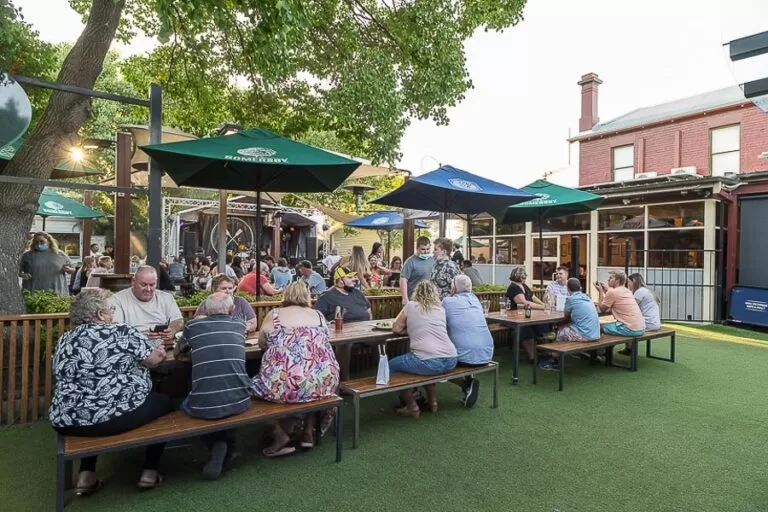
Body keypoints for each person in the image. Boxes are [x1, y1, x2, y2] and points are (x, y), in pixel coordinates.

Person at [49, 288, 170, 493]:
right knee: (165, 403)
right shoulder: (121, 331)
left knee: (96, 403)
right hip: (113, 418)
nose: (113, 312)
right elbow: (152, 361)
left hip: (66, 420)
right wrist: (159, 352)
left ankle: (86, 474)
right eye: (111, 308)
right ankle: (150, 470)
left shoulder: (65, 339)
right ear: (100, 315)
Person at [252, 283, 340, 456]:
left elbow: (262, 343)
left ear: (286, 294)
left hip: (285, 384)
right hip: (325, 382)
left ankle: (280, 434)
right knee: (309, 381)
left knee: (249, 389)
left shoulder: (275, 315)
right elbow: (325, 339)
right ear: (307, 296)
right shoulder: (318, 315)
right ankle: (308, 431)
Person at [176, 293, 251, 480]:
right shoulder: (239, 325)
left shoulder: (193, 326)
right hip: (241, 400)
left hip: (202, 406)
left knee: (183, 402)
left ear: (205, 310)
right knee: (227, 392)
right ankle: (227, 447)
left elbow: (178, 352)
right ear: (232, 309)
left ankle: (217, 444)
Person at [390, 281, 458, 418]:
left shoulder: (410, 306)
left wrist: (410, 330)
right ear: (435, 294)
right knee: (427, 365)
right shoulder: (440, 309)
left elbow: (396, 328)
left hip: (428, 361)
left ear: (416, 293)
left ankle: (411, 406)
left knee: (391, 366)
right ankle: (433, 402)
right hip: (451, 359)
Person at [442, 275, 493, 408]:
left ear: (453, 288)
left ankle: (466, 384)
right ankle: (468, 384)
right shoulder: (475, 300)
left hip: (464, 356)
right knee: (466, 342)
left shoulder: (447, 302)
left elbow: (438, 322)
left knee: (436, 362)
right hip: (487, 353)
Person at [111, 266, 184, 344]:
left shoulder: (166, 298)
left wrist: (172, 330)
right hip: (132, 346)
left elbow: (178, 320)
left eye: (152, 285)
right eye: (143, 285)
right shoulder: (118, 299)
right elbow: (116, 328)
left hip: (163, 345)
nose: (148, 289)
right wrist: (141, 336)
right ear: (133, 281)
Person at [539, 278, 600, 371]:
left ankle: (555, 360)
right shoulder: (587, 297)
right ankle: (554, 353)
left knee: (561, 331)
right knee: (564, 328)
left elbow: (566, 317)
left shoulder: (571, 299)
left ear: (568, 289)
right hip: (595, 333)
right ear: (579, 287)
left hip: (585, 334)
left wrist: (555, 325)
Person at [506, 267, 548, 361]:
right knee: (525, 328)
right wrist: (543, 307)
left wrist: (544, 304)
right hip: (515, 317)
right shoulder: (513, 288)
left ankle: (545, 350)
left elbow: (533, 297)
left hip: (528, 315)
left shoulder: (523, 286)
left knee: (543, 323)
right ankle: (532, 356)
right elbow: (524, 303)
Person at [618, 273, 661, 355]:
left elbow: (631, 308)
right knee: (629, 322)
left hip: (648, 323)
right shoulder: (647, 290)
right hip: (655, 323)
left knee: (625, 325)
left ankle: (629, 349)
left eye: (628, 282)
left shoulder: (639, 292)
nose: (627, 284)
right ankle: (629, 348)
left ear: (633, 281)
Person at [596, 271, 646, 337]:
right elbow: (614, 299)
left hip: (630, 329)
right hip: (641, 328)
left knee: (599, 327)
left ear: (617, 281)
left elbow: (602, 309)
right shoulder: (627, 291)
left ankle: (603, 347)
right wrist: (605, 291)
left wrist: (600, 291)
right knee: (611, 326)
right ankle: (614, 347)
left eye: (611, 278)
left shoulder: (612, 292)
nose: (608, 279)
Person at [400, 236, 434, 305]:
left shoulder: (432, 260)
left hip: (429, 298)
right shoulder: (410, 261)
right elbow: (403, 280)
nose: (426, 252)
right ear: (417, 248)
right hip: (414, 298)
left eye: (428, 249)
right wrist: (405, 298)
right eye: (423, 249)